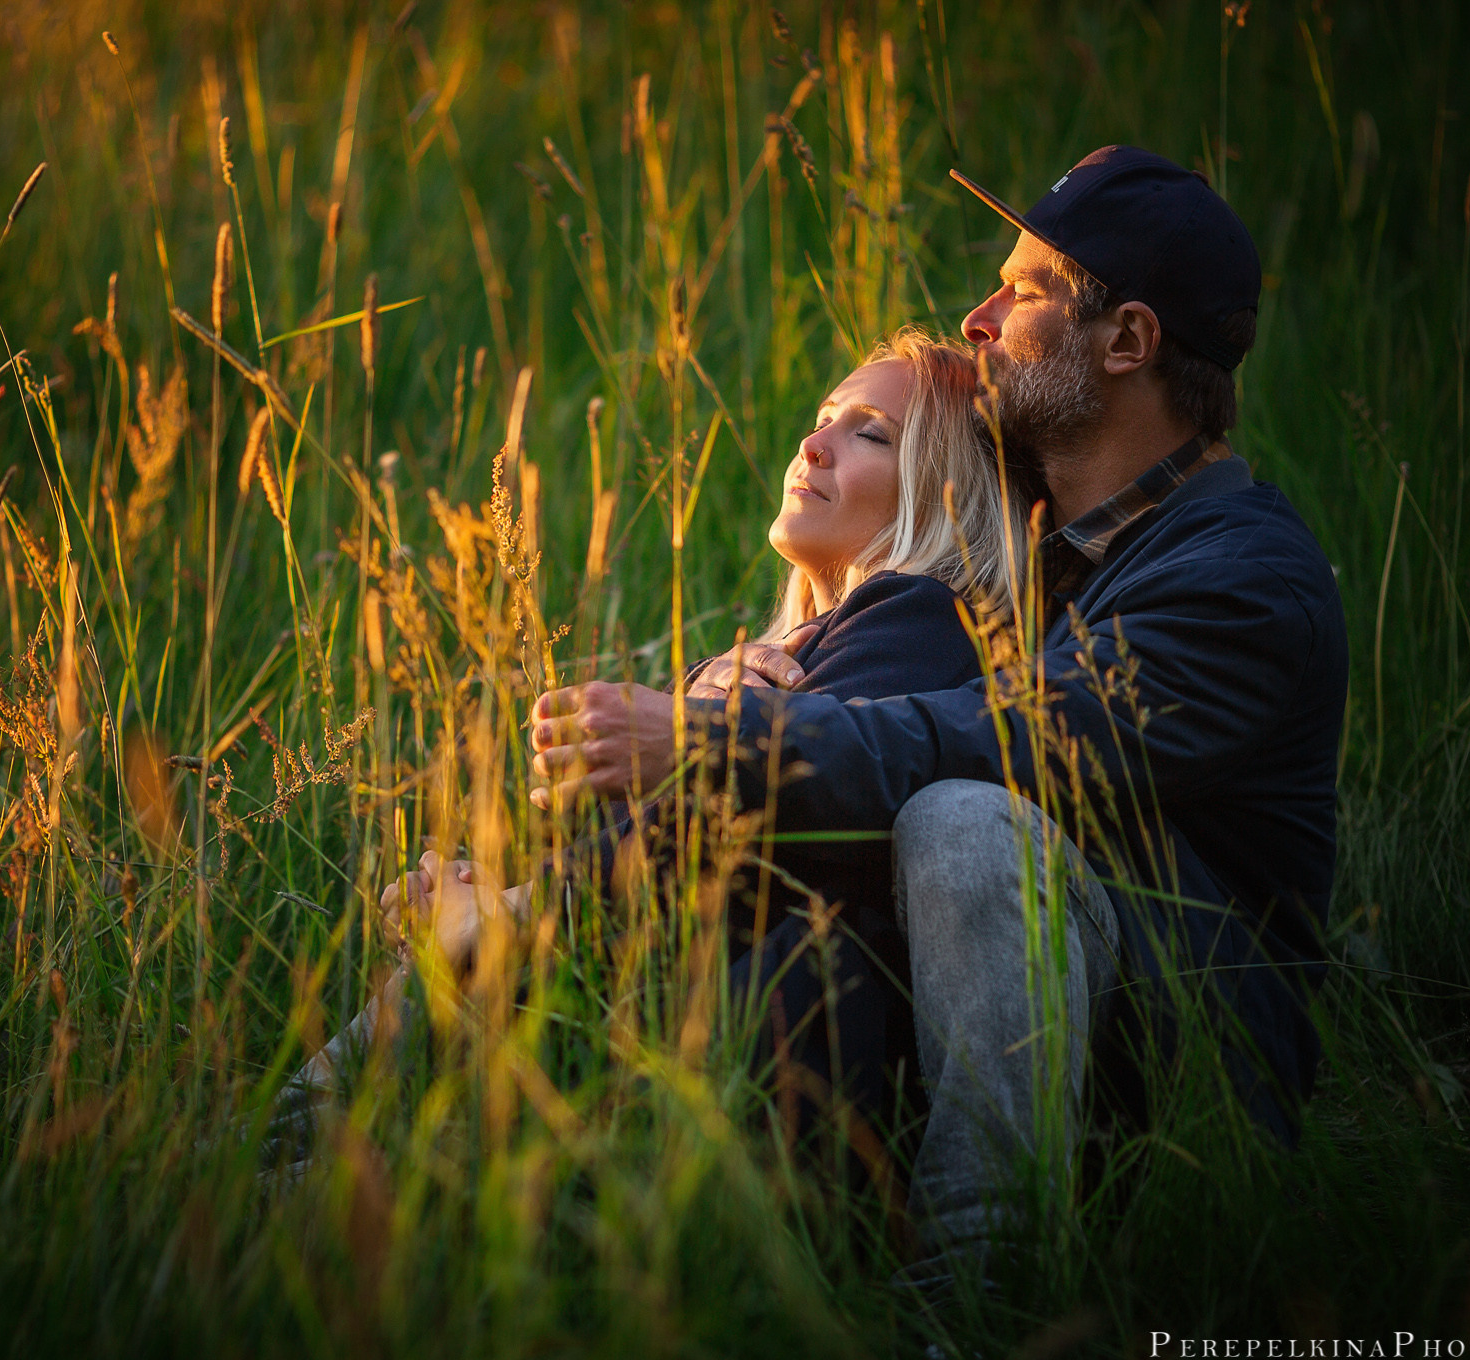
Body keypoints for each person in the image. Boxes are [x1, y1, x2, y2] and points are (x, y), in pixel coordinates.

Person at [524, 146, 1349, 1283]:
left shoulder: (1240, 582)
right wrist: (745, 687)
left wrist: (721, 742)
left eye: (1023, 291)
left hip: (1185, 1075)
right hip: (1017, 1010)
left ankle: (974, 1283)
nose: (979, 315)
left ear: (1126, 343)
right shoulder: (1039, 563)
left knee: (965, 815)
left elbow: (1013, 741)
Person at [304, 330, 1027, 1164]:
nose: (813, 444)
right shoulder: (784, 658)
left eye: (870, 433)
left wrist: (514, 913)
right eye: (824, 416)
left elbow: (743, 824)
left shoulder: (921, 616)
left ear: (946, 498)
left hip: (771, 1076)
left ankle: (282, 1150)